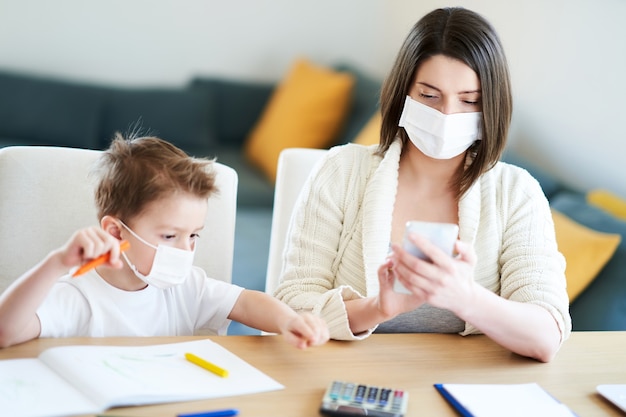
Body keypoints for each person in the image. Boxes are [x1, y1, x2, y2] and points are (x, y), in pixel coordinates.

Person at [274, 7, 570, 362]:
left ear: (491, 105)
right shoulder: (341, 170)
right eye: (429, 96)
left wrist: (467, 298)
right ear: (403, 94)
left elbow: (545, 335)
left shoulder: (516, 193)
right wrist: (377, 309)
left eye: (469, 100)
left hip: (464, 386)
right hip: (349, 377)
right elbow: (293, 302)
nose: (447, 115)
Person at [0, 134, 329, 349]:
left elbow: (245, 303)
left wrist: (288, 320)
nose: (186, 250)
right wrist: (58, 262)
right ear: (115, 233)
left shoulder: (185, 286)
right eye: (170, 236)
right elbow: (6, 331)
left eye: (193, 235)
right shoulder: (80, 295)